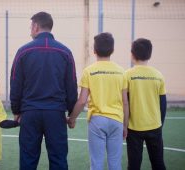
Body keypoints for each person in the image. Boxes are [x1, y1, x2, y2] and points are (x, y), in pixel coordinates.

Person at [10, 12, 78, 170]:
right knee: (58, 159)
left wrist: (16, 110)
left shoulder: (23, 51)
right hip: (55, 113)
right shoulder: (65, 52)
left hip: (30, 113)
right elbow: (71, 85)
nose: (30, 30)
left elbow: (15, 83)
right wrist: (71, 112)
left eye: (30, 27)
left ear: (35, 26)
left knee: (28, 160)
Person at [68, 32, 129, 170]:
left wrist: (72, 118)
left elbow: (82, 100)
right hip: (117, 120)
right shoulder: (121, 72)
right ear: (112, 50)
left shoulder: (89, 71)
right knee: (115, 163)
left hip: (97, 121)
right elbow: (125, 102)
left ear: (94, 50)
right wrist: (125, 125)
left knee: (96, 163)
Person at [125, 38, 166, 170]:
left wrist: (124, 125)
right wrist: (160, 124)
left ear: (132, 54)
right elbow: (163, 104)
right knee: (158, 163)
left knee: (134, 165)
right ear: (150, 54)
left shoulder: (127, 75)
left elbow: (124, 102)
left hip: (133, 128)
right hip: (155, 126)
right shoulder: (158, 75)